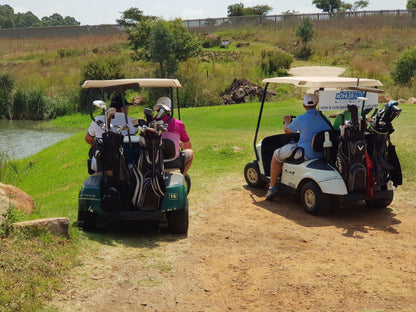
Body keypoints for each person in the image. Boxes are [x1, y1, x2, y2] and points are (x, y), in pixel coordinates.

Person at [265, 93, 332, 200]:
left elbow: (287, 130)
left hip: (305, 153)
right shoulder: (325, 119)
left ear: (304, 105)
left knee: (276, 154)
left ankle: (271, 187)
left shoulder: (301, 118)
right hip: (321, 153)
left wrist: (287, 121)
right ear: (316, 103)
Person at [154, 96, 194, 174]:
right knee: (190, 152)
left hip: (154, 161)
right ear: (170, 109)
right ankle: (182, 175)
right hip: (173, 161)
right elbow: (188, 145)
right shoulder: (178, 124)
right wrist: (180, 144)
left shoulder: (150, 123)